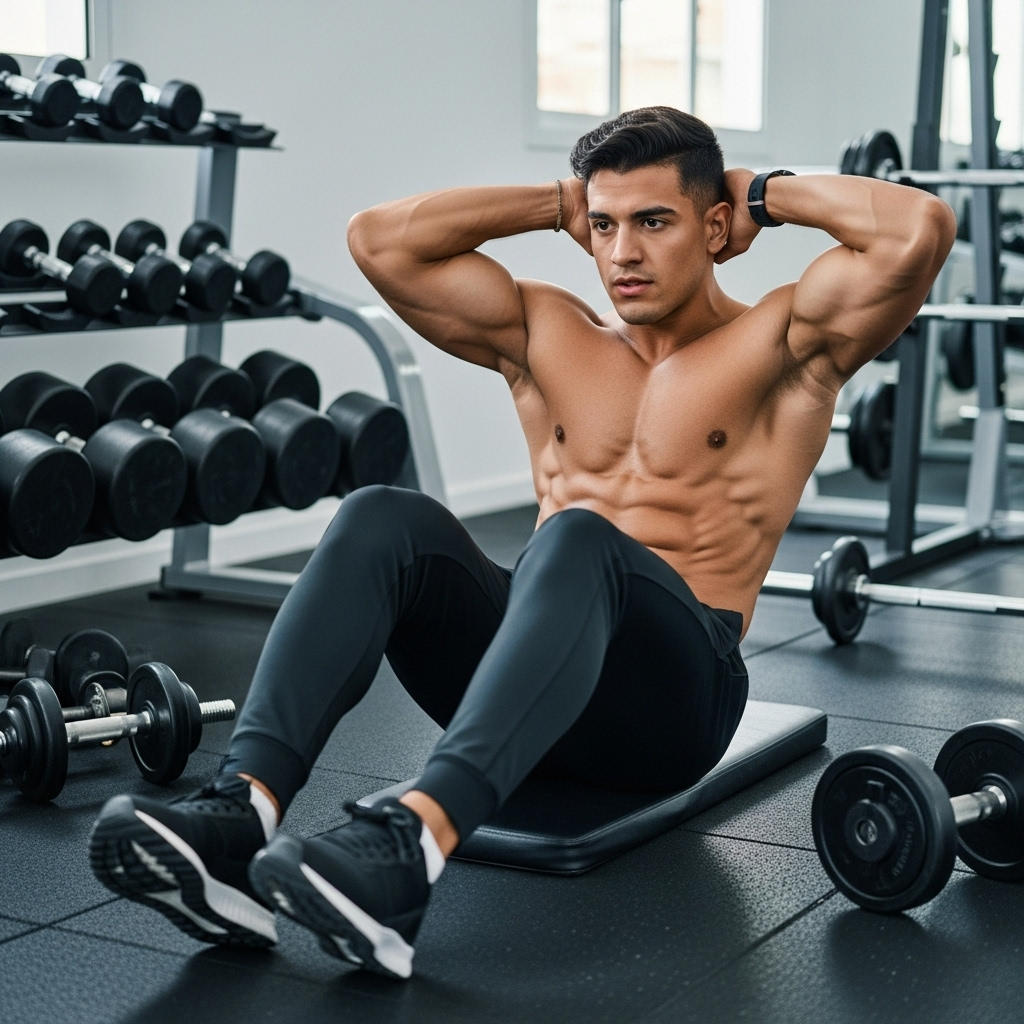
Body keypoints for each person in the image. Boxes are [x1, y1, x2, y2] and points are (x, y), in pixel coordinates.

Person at [89, 107, 955, 979]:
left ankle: (409, 851)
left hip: (671, 706)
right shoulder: (549, 332)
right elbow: (378, 241)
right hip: (534, 682)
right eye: (606, 225)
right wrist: (553, 201)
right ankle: (243, 810)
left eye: (654, 222)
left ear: (714, 226)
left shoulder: (784, 341)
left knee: (577, 537)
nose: (622, 253)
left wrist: (765, 193)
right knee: (382, 513)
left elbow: (921, 226)